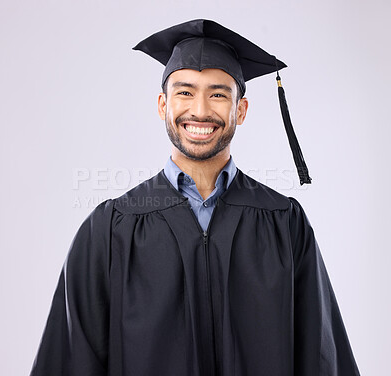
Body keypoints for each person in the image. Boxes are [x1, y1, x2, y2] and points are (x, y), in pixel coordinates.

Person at [30, 19, 360, 376]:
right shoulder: (111, 230)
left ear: (241, 110)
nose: (200, 110)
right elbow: (71, 359)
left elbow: (321, 358)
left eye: (218, 94)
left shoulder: (284, 222)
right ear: (162, 105)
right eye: (185, 92)